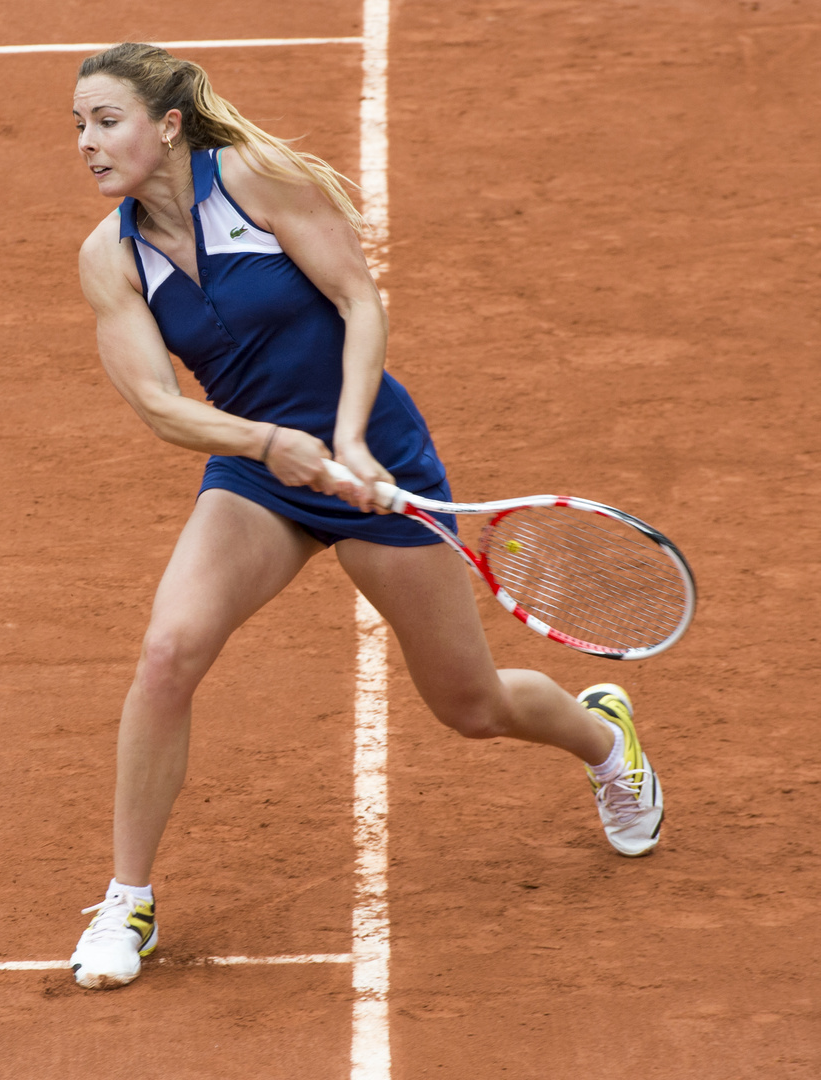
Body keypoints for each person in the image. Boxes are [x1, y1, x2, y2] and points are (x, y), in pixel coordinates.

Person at [65, 43, 664, 991]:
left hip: (375, 458)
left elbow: (356, 298)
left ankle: (604, 738)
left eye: (106, 122)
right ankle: (125, 900)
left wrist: (347, 438)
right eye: (80, 128)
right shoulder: (112, 258)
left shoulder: (258, 181)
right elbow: (155, 404)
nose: (89, 145)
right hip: (262, 477)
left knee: (470, 706)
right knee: (167, 653)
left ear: (166, 126)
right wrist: (270, 447)